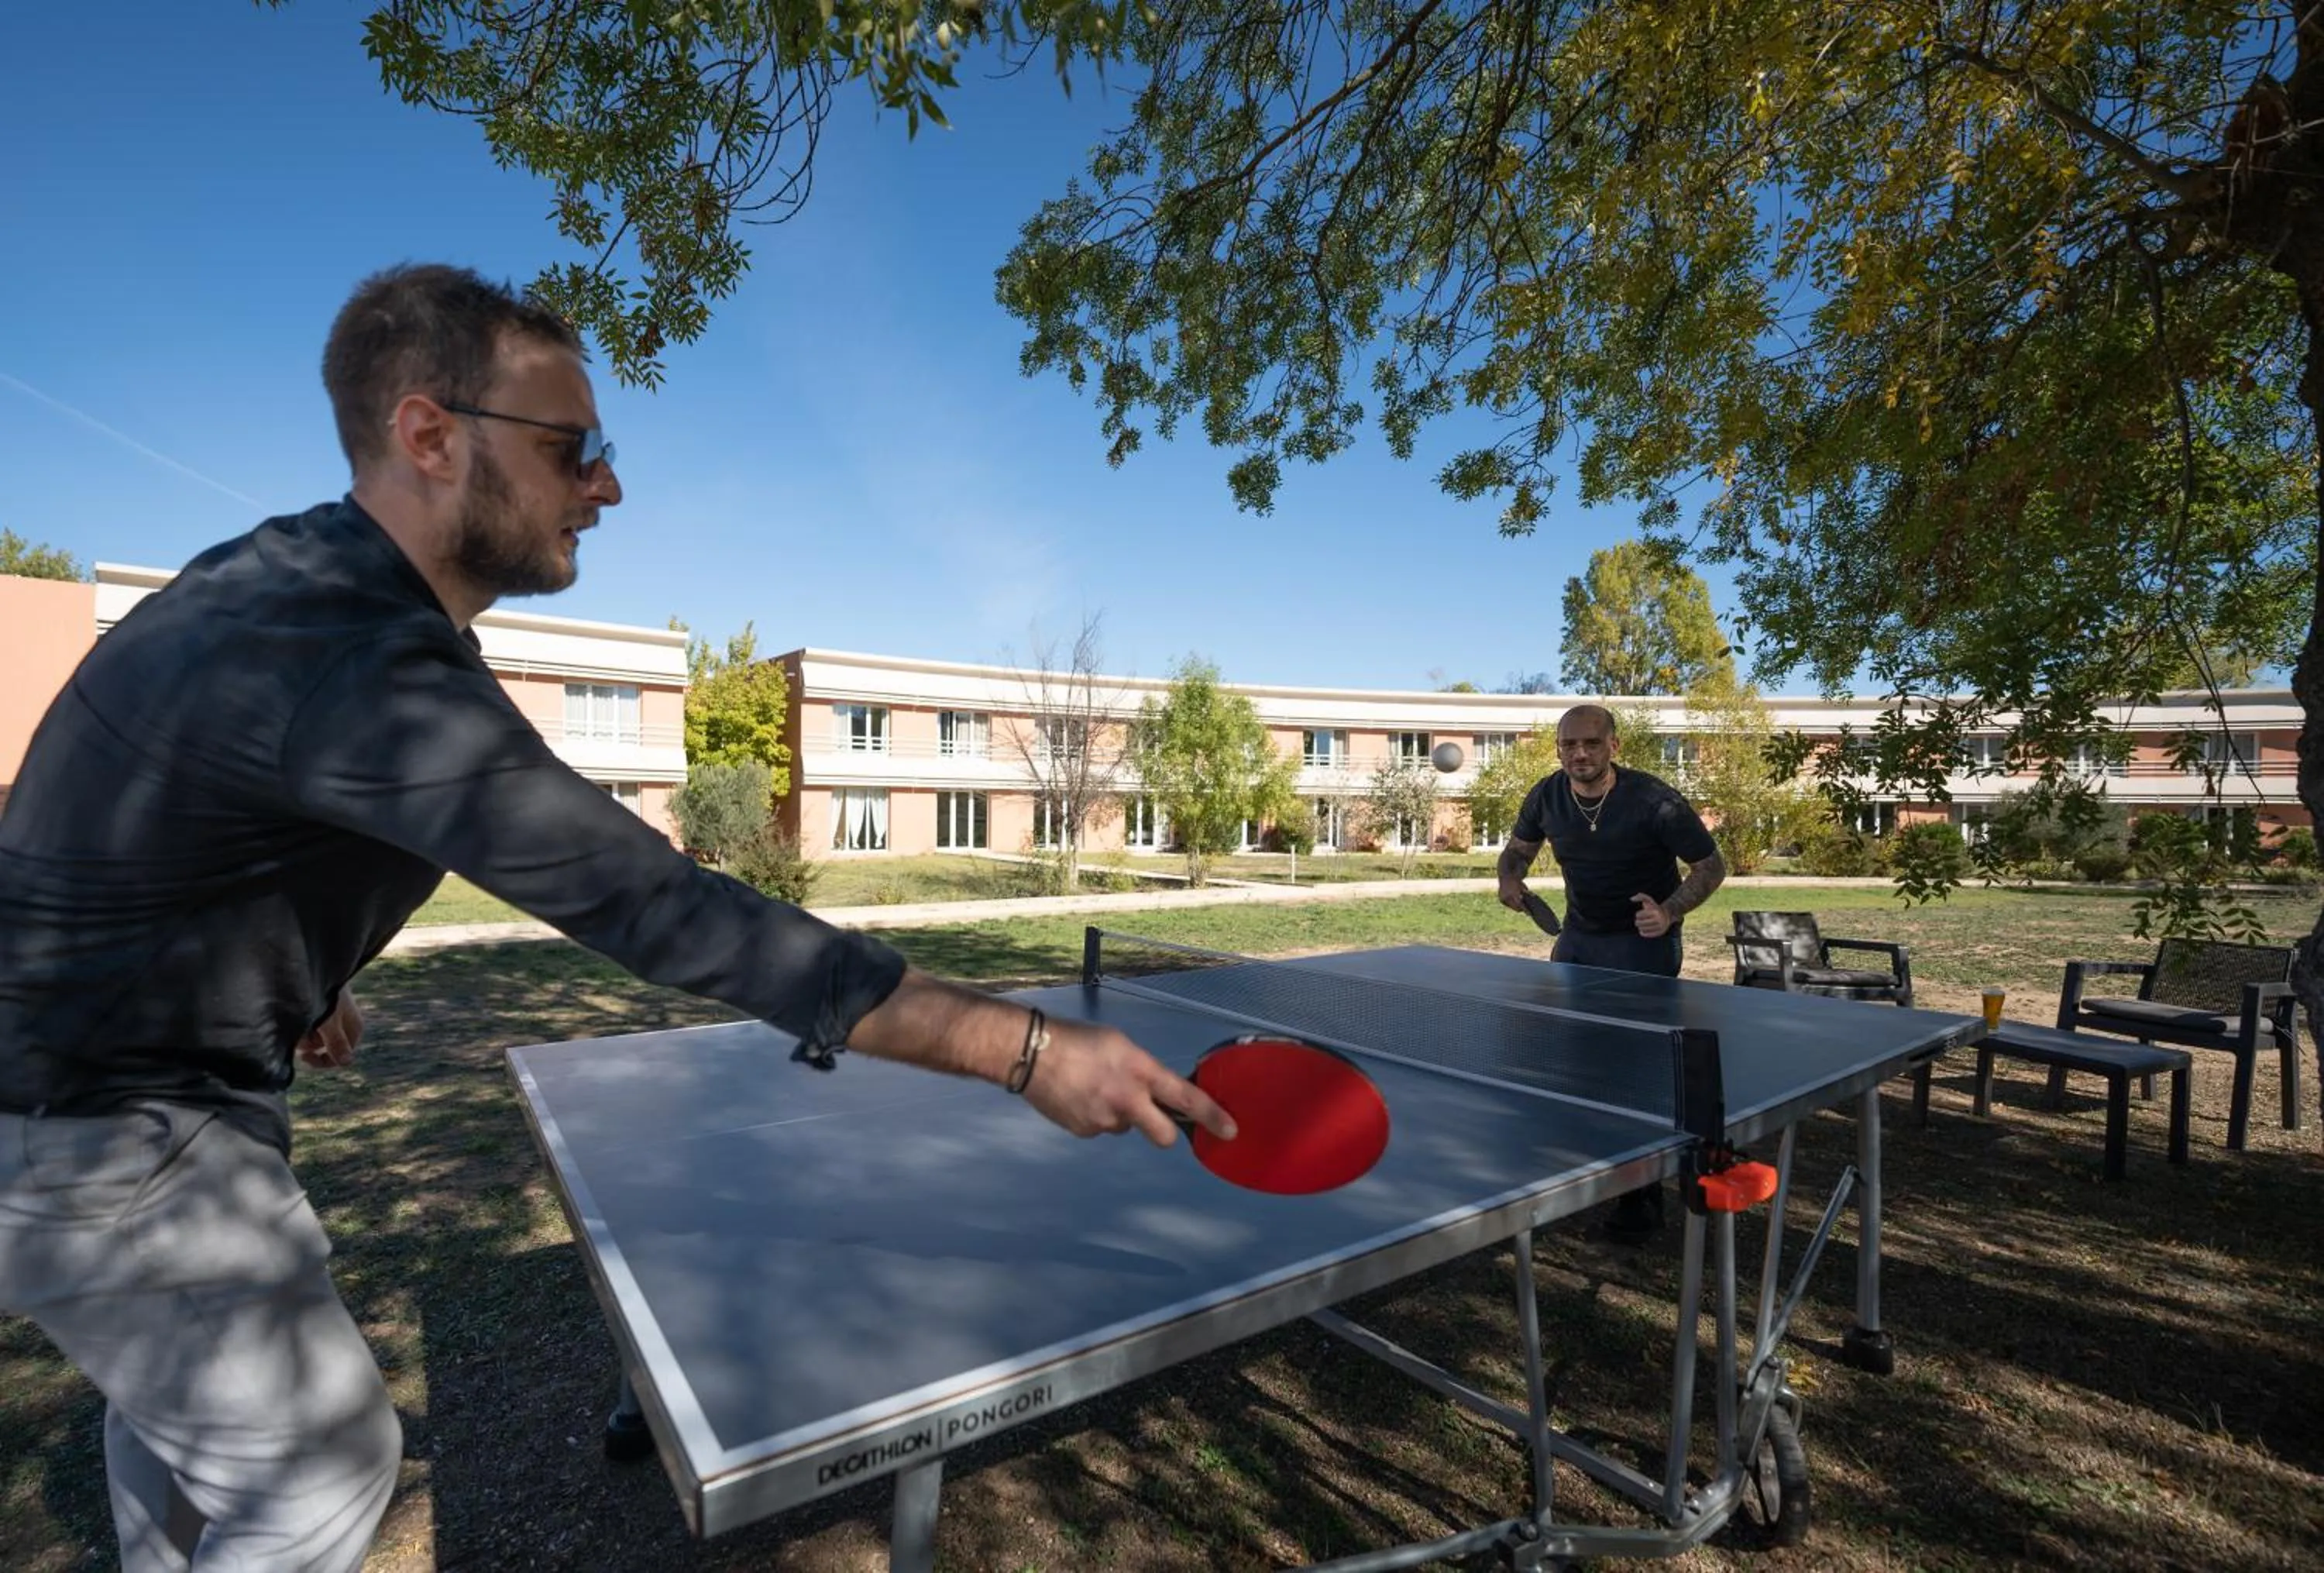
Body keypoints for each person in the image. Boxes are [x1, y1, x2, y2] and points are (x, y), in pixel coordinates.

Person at [0, 263, 1236, 1573]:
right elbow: (656, 904)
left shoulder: (269, 587)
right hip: (105, 1138)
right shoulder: (359, 657)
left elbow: (115, 810)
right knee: (316, 1475)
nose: (607, 485)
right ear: (430, 435)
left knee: (183, 1452)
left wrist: (286, 973)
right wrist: (1028, 1051)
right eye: (573, 447)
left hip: (64, 1105)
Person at [1495, 702, 1727, 1241]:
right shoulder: (1547, 794)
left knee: (1630, 1073)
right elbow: (1517, 851)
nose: (1579, 753)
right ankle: (1573, 1175)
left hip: (1642, 946)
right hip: (1578, 939)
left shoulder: (1655, 801)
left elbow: (1711, 866)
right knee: (1569, 1061)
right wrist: (1509, 879)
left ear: (1614, 747)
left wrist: (1668, 911)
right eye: (1569, 744)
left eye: (1591, 744)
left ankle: (1639, 1202)